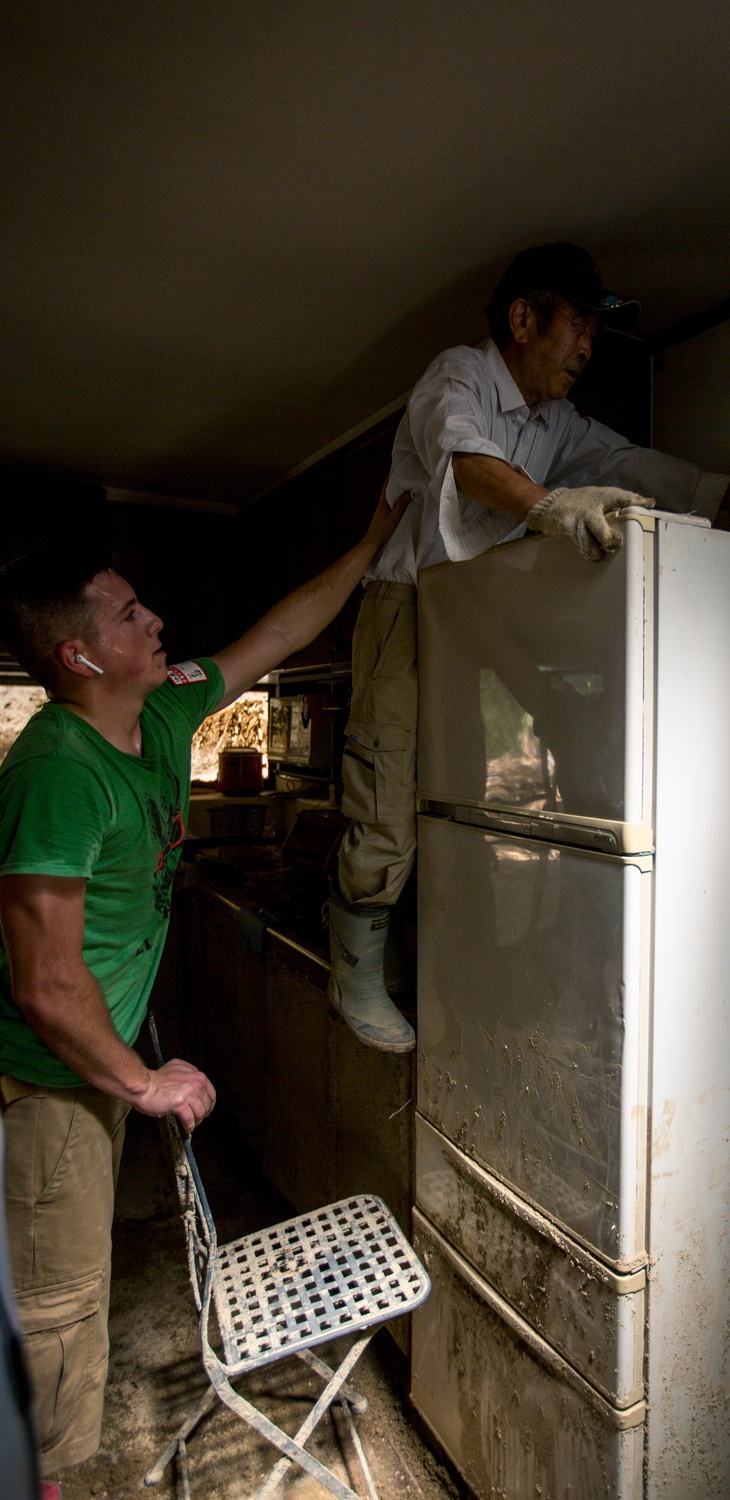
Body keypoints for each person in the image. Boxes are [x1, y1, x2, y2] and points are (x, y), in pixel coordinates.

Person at [0, 487, 407, 1488]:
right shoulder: (57, 770)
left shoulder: (165, 706)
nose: (157, 621)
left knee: (75, 1279)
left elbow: (279, 627)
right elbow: (47, 985)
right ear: (80, 657)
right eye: (130, 614)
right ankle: (43, 1477)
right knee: (60, 1302)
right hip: (45, 1081)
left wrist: (371, 537)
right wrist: (142, 1082)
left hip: (96, 1049)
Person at [329, 240, 730, 1054]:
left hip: (468, 613)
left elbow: (626, 460)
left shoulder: (556, 423)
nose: (587, 345)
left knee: (456, 792)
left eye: (595, 331)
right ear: (524, 318)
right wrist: (547, 509)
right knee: (392, 790)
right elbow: (464, 460)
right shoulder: (457, 375)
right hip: (404, 603)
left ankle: (423, 954)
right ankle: (354, 967)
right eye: (578, 323)